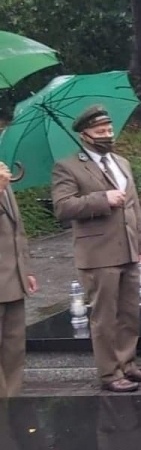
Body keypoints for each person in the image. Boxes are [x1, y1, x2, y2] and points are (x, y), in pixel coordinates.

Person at [51, 105, 141, 393]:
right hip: (98, 254)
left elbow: (134, 208)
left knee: (128, 312)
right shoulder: (68, 166)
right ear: (85, 135)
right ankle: (109, 374)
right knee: (104, 317)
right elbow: (62, 207)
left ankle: (128, 363)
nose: (107, 135)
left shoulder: (121, 162)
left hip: (128, 249)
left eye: (109, 130)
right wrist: (102, 198)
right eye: (100, 132)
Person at [0, 161, 38, 397]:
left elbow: (18, 230)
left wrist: (26, 270)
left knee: (14, 348)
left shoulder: (3, 176)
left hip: (11, 279)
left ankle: (11, 402)